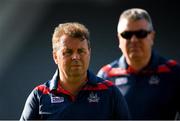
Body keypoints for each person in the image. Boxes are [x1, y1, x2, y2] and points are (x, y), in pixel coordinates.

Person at [20, 22, 130, 120]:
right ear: (55, 57)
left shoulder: (110, 92)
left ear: (89, 53)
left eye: (81, 51)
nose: (75, 57)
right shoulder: (39, 96)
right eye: (68, 52)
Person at [97, 8, 180, 120]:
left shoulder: (173, 72)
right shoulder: (106, 76)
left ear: (152, 36)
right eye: (127, 34)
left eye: (141, 33)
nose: (134, 40)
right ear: (119, 39)